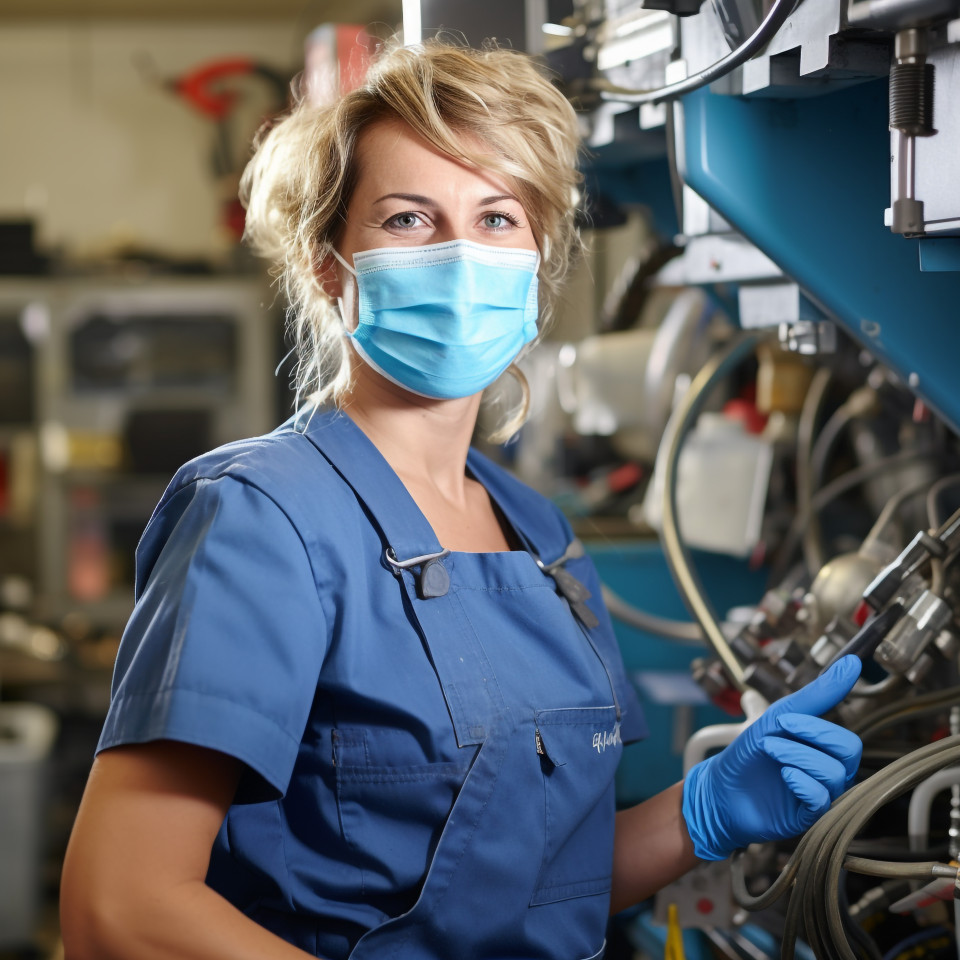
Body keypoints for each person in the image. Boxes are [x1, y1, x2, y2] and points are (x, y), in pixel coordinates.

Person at [60, 38, 863, 960]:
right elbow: (118, 906)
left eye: (495, 218)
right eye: (407, 220)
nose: (459, 255)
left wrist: (705, 810)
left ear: (537, 259)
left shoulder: (540, 538)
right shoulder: (259, 517)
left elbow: (546, 881)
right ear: (330, 263)